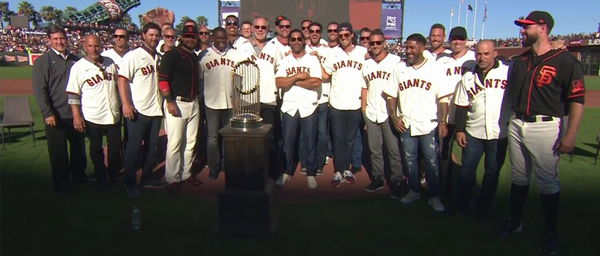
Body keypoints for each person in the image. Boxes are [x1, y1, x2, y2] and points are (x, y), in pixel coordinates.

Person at [500, 11, 585, 255]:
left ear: (543, 27)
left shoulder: (564, 60)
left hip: (546, 125)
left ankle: (550, 233)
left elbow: (577, 99)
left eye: (527, 27)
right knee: (519, 177)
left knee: (547, 182)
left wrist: (570, 135)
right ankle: (514, 222)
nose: (522, 31)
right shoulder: (520, 61)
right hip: (518, 123)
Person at [383, 33, 451, 212]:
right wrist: (394, 117)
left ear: (422, 47)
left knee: (431, 160)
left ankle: (435, 196)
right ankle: (414, 190)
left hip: (429, 123)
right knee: (409, 159)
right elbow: (391, 95)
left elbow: (443, 98)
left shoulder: (434, 68)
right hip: (406, 123)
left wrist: (443, 122)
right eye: (406, 47)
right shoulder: (400, 68)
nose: (408, 51)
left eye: (412, 48)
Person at [451, 40, 511, 220]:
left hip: (499, 133)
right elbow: (461, 104)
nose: (482, 58)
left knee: (492, 173)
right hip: (473, 132)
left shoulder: (507, 72)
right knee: (466, 171)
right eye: (479, 54)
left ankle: (483, 207)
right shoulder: (468, 77)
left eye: (486, 54)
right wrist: (460, 130)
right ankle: (462, 203)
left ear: (494, 53)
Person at [32, 25, 89, 195]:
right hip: (56, 114)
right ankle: (61, 183)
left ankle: (79, 176)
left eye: (62, 38)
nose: (59, 42)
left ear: (67, 39)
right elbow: (40, 90)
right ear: (49, 40)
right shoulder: (43, 61)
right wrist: (47, 112)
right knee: (58, 152)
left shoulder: (76, 60)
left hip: (75, 113)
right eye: (55, 39)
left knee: (78, 148)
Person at [66, 34, 122, 192]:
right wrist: (77, 116)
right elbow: (73, 94)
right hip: (93, 116)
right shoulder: (78, 67)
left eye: (96, 46)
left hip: (113, 114)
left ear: (101, 46)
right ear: (85, 47)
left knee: (115, 149)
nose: (93, 49)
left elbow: (120, 85)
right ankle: (101, 178)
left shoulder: (110, 63)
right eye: (90, 46)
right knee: (96, 150)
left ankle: (113, 176)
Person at [118, 22, 167, 197]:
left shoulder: (159, 57)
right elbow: (122, 80)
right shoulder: (133, 56)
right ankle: (130, 182)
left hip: (155, 109)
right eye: (151, 35)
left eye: (156, 35)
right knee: (133, 148)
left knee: (151, 147)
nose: (154, 38)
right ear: (143, 35)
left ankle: (147, 178)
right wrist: (126, 103)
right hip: (138, 109)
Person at [200, 27, 251, 180]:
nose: (222, 41)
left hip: (230, 102)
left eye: (224, 38)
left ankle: (227, 164)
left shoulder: (235, 54)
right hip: (211, 102)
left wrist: (237, 97)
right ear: (212, 39)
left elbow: (239, 77)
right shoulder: (204, 56)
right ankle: (214, 166)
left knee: (229, 136)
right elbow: (200, 78)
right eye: (218, 38)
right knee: (213, 137)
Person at [275, 29, 323, 188]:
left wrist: (291, 81)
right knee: (287, 142)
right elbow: (279, 82)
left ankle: (311, 173)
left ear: (304, 41)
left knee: (309, 141)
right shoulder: (285, 60)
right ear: (290, 42)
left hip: (308, 105)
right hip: (289, 106)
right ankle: (287, 172)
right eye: (293, 39)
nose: (296, 41)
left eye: (299, 39)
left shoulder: (312, 59)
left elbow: (316, 82)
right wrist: (297, 77)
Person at [158, 24, 202, 194]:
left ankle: (186, 173)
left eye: (193, 36)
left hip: (193, 102)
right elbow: (163, 80)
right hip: (177, 102)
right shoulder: (172, 55)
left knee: (190, 142)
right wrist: (169, 101)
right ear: (181, 37)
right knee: (175, 142)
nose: (190, 39)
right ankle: (172, 178)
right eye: (187, 36)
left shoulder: (194, 56)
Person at [323, 22, 367, 187]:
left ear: (352, 35)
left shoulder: (363, 52)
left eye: (346, 35)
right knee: (338, 139)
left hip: (355, 104)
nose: (343, 38)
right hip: (336, 103)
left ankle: (346, 169)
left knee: (350, 140)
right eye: (340, 36)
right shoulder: (333, 53)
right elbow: (325, 74)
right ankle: (338, 171)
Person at [361, 29, 404, 195]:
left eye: (378, 42)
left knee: (393, 149)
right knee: (374, 148)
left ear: (384, 43)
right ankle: (378, 177)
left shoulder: (396, 61)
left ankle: (397, 180)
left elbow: (401, 87)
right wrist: (364, 110)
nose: (375, 46)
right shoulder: (367, 64)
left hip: (388, 112)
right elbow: (364, 87)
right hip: (372, 111)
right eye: (372, 43)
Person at [436, 26, 477, 197]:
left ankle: (468, 192)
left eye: (460, 38)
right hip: (447, 113)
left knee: (470, 158)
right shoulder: (442, 60)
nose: (457, 41)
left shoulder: (475, 58)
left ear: (466, 40)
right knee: (444, 153)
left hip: (470, 115)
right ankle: (446, 190)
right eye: (454, 38)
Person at [305, 22, 331, 175]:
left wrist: (318, 59)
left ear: (321, 33)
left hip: (322, 99)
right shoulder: (303, 49)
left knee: (321, 133)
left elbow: (325, 75)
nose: (314, 33)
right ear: (308, 32)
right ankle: (307, 162)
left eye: (317, 31)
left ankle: (320, 163)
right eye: (311, 31)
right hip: (307, 98)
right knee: (307, 133)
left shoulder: (326, 51)